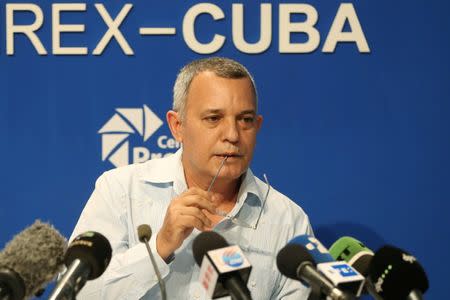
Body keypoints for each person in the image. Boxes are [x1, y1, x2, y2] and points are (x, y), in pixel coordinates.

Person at [70, 57, 313, 299]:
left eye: (245, 120)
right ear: (177, 126)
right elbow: (77, 293)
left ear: (257, 127)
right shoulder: (120, 191)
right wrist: (159, 247)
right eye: (213, 118)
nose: (232, 134)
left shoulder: (288, 221)